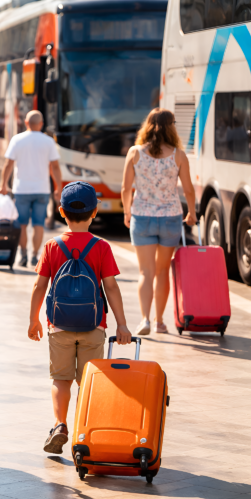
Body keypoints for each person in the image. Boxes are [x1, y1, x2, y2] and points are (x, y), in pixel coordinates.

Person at [28, 181, 132, 454]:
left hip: (58, 326)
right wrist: (121, 324)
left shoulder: (52, 246)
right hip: (93, 326)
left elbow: (39, 286)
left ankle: (60, 425)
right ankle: (86, 430)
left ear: (61, 212)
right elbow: (111, 287)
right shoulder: (101, 247)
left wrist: (33, 320)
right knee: (87, 381)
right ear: (95, 212)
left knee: (61, 380)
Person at [121, 108, 197, 335]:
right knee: (162, 271)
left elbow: (126, 188)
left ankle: (144, 319)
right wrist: (191, 213)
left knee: (145, 272)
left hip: (142, 217)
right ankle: (160, 321)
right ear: (171, 127)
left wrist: (127, 212)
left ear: (148, 125)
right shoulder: (178, 155)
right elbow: (189, 190)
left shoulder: (135, 152)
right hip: (170, 218)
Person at [0, 111, 63, 267]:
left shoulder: (17, 140)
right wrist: (59, 187)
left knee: (22, 224)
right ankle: (35, 256)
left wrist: (3, 184)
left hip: (22, 189)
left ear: (26, 123)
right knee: (38, 224)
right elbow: (55, 167)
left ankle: (23, 255)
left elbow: (8, 164)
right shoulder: (48, 141)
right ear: (41, 124)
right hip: (42, 189)